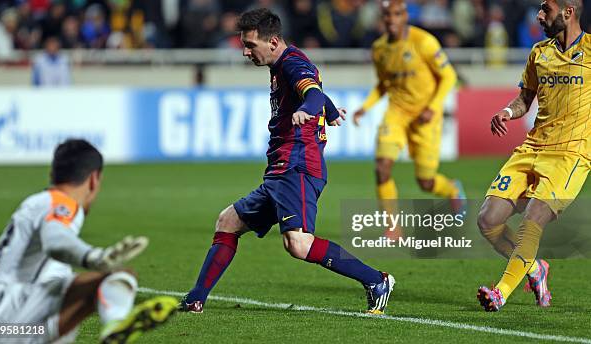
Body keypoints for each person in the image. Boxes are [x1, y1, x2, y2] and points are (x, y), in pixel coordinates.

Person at [179, 8, 395, 315]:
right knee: (228, 221)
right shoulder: (284, 64)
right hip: (281, 170)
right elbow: (315, 89)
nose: (245, 51)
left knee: (299, 244)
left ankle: (376, 280)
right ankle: (196, 298)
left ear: (273, 41)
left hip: (298, 166)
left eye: (250, 45)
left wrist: (311, 107)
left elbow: (313, 93)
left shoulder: (292, 63)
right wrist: (330, 112)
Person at [0, 139, 178, 343]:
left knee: (63, 328)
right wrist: (93, 257)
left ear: (52, 174)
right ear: (94, 179)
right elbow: (55, 239)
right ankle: (115, 324)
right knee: (118, 276)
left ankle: (115, 329)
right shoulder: (61, 203)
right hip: (8, 319)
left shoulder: (36, 203)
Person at [477, 0, 589, 312]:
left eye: (546, 9)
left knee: (534, 216)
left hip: (570, 155)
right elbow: (526, 98)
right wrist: (507, 111)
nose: (539, 16)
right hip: (532, 148)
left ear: (568, 12)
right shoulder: (539, 52)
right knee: (488, 220)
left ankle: (500, 292)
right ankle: (535, 268)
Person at [353, 0, 465, 223]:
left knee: (426, 182)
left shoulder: (423, 42)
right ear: (382, 18)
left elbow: (449, 76)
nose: (391, 20)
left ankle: (451, 189)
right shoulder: (379, 50)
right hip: (397, 113)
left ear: (405, 16)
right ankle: (391, 226)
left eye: (396, 14)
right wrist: (365, 108)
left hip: (425, 116)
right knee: (382, 166)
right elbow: (384, 84)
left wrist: (433, 107)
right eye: (387, 15)